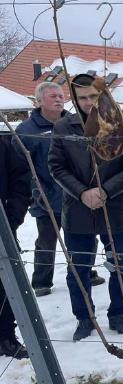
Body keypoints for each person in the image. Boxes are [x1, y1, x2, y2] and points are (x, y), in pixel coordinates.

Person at [49, 74, 123, 342]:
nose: (89, 102)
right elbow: (56, 166)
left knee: (119, 263)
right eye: (83, 98)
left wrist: (106, 189)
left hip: (114, 208)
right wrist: (82, 192)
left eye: (93, 96)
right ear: (75, 99)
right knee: (78, 267)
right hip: (78, 209)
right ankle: (84, 317)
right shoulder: (64, 128)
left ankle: (117, 313)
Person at [16, 82, 104, 297]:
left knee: (86, 235)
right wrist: (35, 193)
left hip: (76, 193)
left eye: (61, 95)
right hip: (45, 196)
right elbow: (20, 168)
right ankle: (41, 281)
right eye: (53, 96)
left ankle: (86, 271)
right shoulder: (27, 130)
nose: (58, 99)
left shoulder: (76, 123)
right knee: (46, 240)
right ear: (38, 101)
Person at [0, 134, 31, 359]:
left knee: (6, 284)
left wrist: (11, 218)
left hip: (3, 228)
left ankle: (5, 337)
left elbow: (20, 181)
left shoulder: (4, 144)